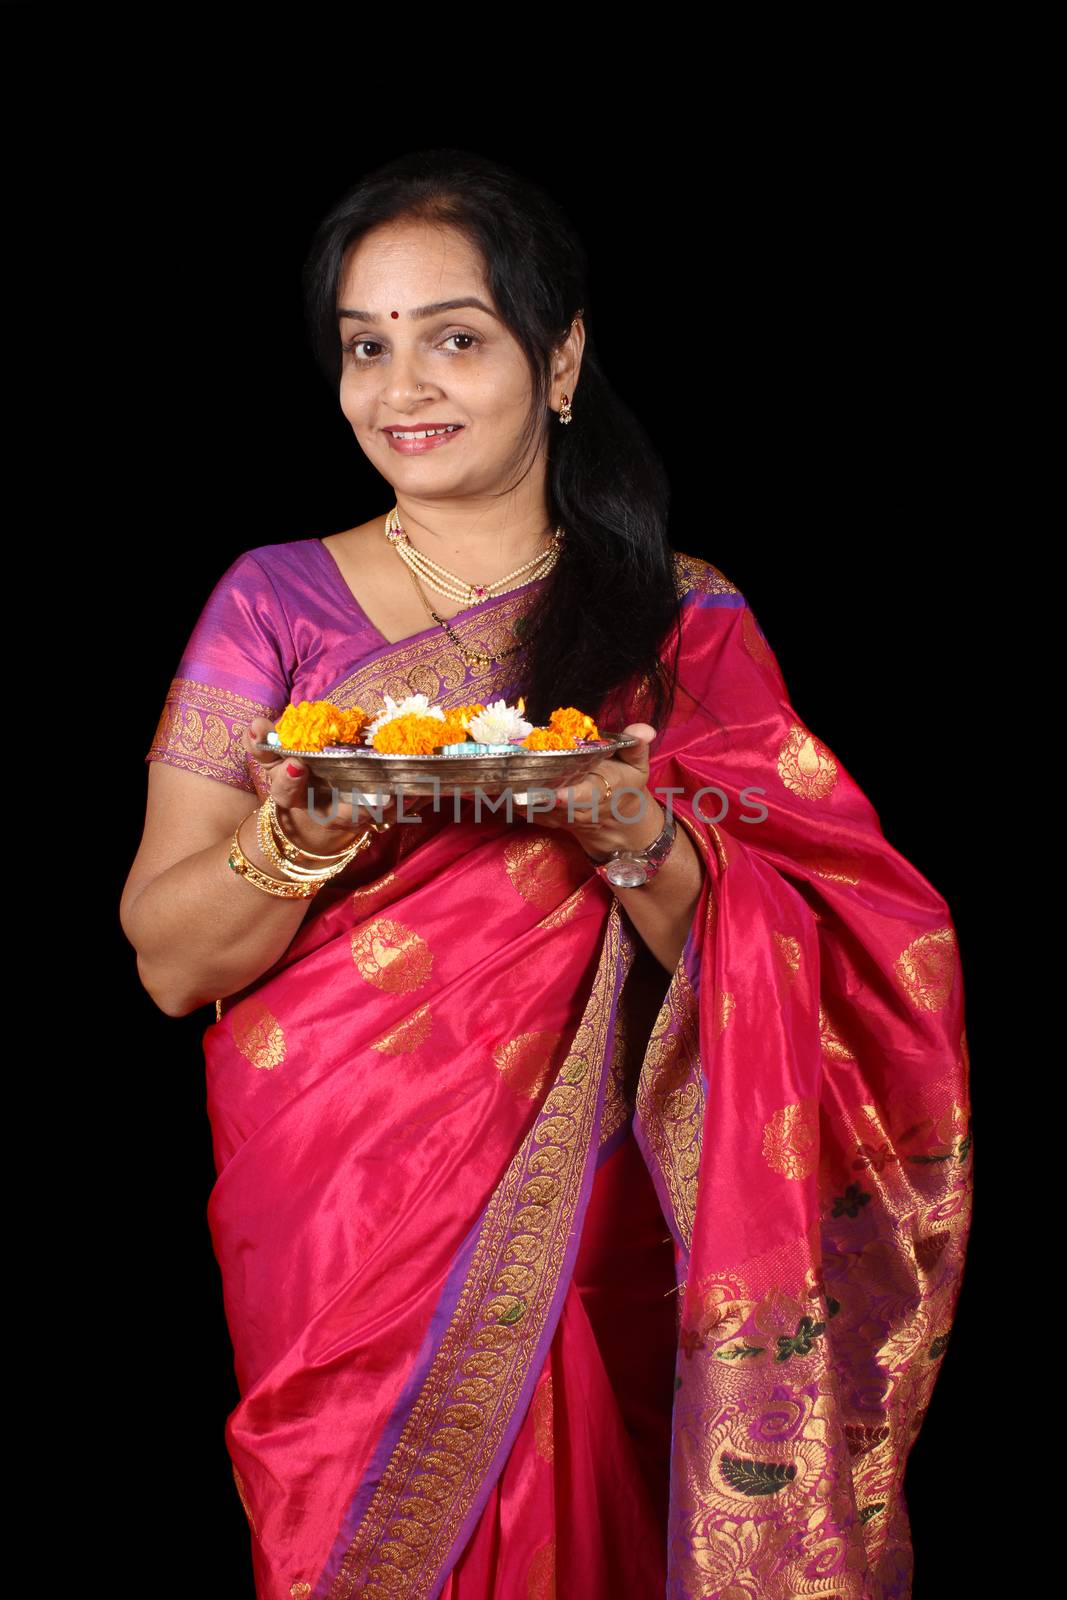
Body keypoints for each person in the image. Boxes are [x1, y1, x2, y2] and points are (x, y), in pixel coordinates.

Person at [120, 148, 972, 1600]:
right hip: (337, 1216)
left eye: (455, 337)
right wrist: (304, 832)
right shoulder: (270, 603)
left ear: (559, 356)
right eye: (365, 347)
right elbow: (170, 958)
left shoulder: (673, 617)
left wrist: (643, 841)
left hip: (601, 1212)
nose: (404, 390)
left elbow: (832, 929)